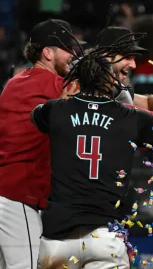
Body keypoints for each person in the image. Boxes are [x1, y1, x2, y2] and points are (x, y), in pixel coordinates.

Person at [31, 36, 153, 269]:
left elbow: (35, 115)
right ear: (109, 80)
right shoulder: (131, 117)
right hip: (105, 236)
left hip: (58, 238)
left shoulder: (56, 110)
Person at [0, 19, 84, 269]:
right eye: (67, 48)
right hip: (17, 198)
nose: (72, 55)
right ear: (47, 52)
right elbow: (115, 111)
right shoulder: (52, 85)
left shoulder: (16, 82)